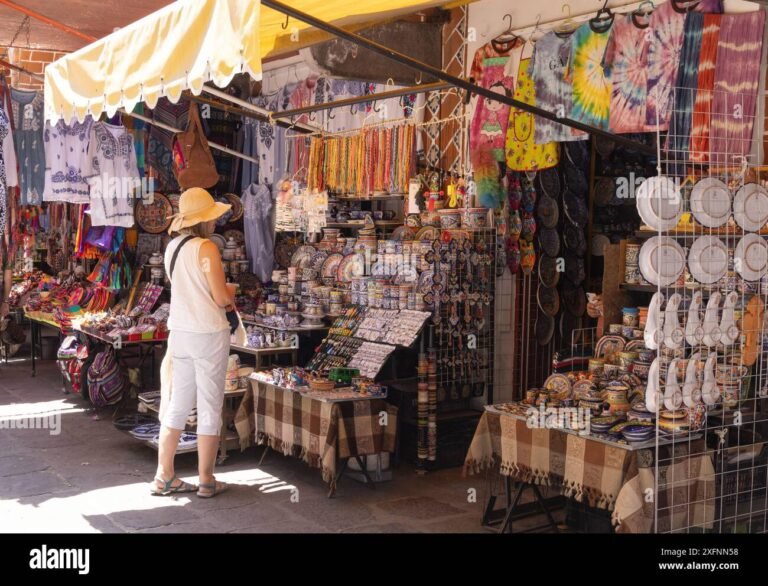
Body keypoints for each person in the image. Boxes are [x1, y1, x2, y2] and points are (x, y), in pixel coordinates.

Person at [151, 187, 236, 498]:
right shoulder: (206, 248)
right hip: (208, 334)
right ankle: (206, 479)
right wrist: (232, 292)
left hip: (181, 334)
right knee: (210, 406)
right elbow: (219, 297)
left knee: (178, 404)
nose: (215, 223)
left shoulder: (172, 247)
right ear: (204, 221)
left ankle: (164, 475)